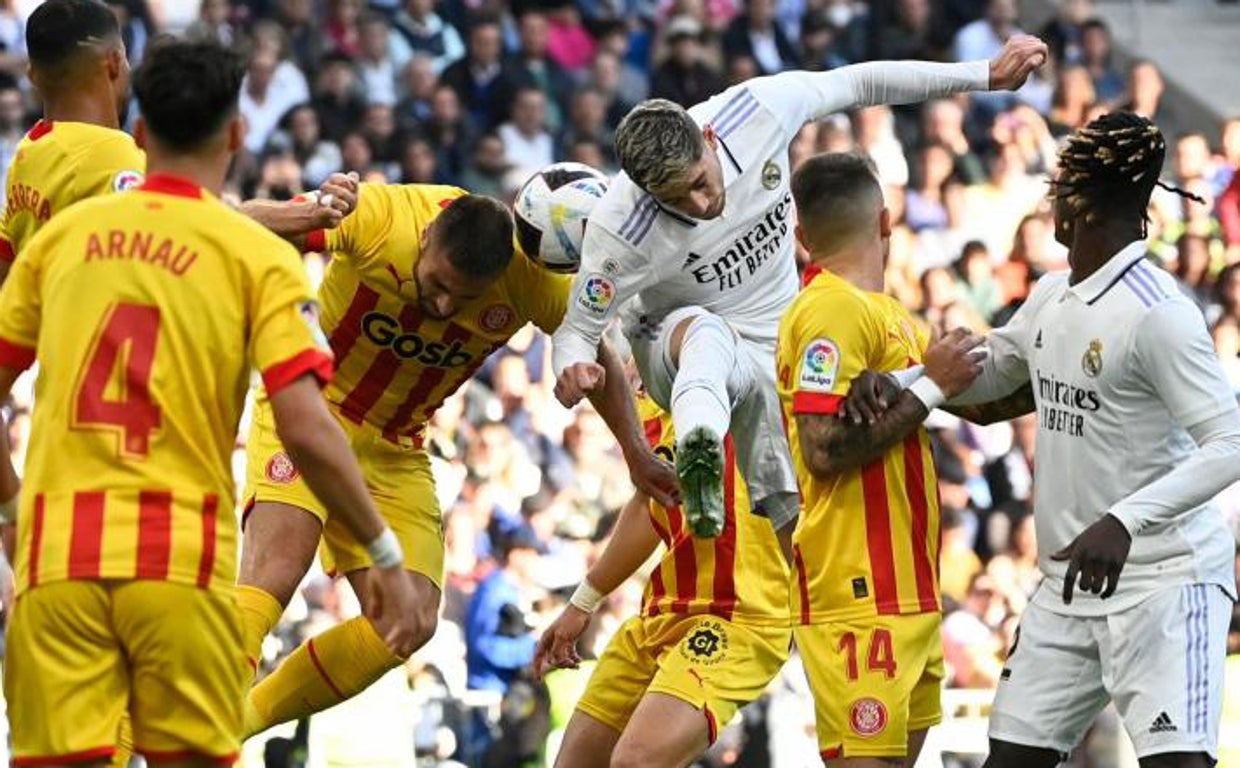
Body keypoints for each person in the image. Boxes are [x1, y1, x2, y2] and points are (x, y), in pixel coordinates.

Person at [0, 37, 420, 766]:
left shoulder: (61, 240)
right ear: (236, 133)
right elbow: (306, 428)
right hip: (173, 563)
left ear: (138, 134)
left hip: (58, 560)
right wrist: (383, 553)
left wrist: (11, 512)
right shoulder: (257, 259)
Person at [550, 35, 1047, 543]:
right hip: (673, 345)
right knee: (707, 333)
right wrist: (571, 370)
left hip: (777, 331)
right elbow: (575, 332)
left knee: (793, 514)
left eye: (700, 181)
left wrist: (984, 74)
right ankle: (700, 439)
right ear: (646, 194)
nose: (700, 205)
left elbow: (860, 82)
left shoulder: (754, 112)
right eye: (677, 199)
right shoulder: (620, 233)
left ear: (709, 138)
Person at [238, 176, 677, 738]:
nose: (444, 305)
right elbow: (234, 224)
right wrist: (304, 217)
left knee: (409, 621)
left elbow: (602, 357)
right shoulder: (381, 216)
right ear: (425, 239)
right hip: (310, 411)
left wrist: (636, 454)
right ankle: (181, 731)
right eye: (438, 284)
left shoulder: (529, 279)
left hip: (396, 448)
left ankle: (234, 727)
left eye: (464, 298)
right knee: (275, 575)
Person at [941, 112, 1240, 768]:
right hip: (1069, 583)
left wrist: (1125, 521)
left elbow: (1230, 440)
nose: (1050, 199)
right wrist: (907, 381)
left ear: (1076, 206)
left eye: (1058, 186)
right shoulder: (1052, 294)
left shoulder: (1160, 314)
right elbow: (987, 374)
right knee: (1010, 761)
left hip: (1165, 582)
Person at [775, 152, 1008, 765]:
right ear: (885, 221)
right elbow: (822, 449)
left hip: (909, 587)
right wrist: (929, 389)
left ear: (802, 235)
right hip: (858, 589)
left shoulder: (891, 316)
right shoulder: (829, 308)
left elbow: (975, 399)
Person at [0, 0, 350, 279]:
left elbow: (6, 261)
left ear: (32, 75)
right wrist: (305, 212)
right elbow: (196, 220)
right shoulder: (109, 154)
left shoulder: (29, 152)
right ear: (115, 62)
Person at [535, 394, 790, 768]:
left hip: (743, 619)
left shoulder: (759, 371)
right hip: (659, 616)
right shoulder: (645, 392)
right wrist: (582, 602)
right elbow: (647, 504)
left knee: (636, 762)